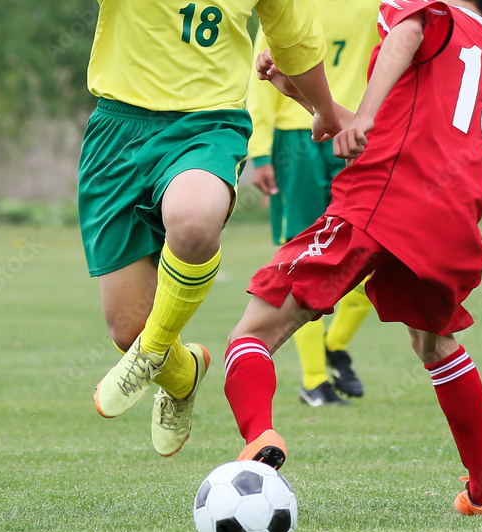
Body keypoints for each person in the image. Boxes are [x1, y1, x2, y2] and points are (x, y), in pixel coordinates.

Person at [223, 0, 482, 517]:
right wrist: (299, 93)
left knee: (253, 331)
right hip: (451, 217)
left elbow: (404, 32)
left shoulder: (434, 11)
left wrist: (362, 115)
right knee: (436, 343)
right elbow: (376, 135)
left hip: (384, 196)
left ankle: (258, 438)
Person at [80, 0, 343, 457]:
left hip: (207, 123)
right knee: (126, 327)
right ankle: (181, 373)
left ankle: (152, 350)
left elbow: (296, 41)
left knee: (195, 219)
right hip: (117, 130)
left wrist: (324, 110)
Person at [246, 0, 381, 407]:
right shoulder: (287, 4)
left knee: (372, 249)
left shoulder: (379, 7)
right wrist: (262, 151)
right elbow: (261, 74)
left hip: (356, 129)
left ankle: (333, 345)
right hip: (296, 137)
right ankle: (314, 379)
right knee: (301, 259)